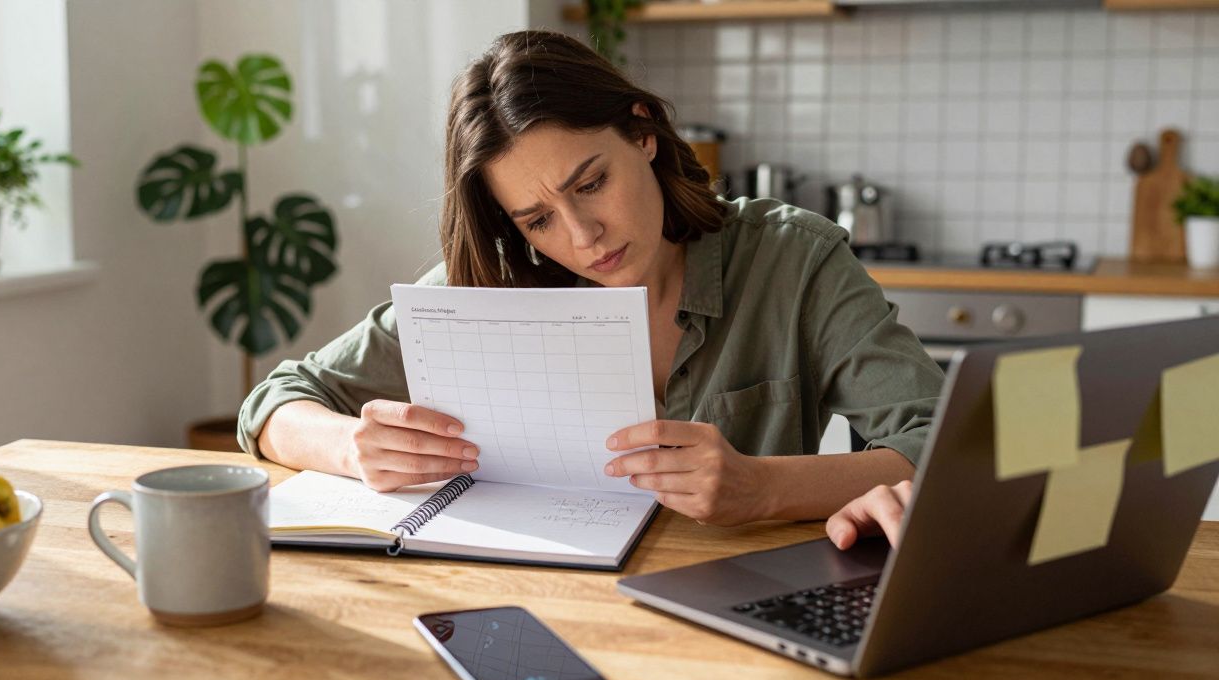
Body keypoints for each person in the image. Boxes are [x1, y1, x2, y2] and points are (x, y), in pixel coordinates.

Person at [237, 30, 943, 547]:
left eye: (591, 183)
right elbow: (274, 404)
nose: (583, 237)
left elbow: (944, 444)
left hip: (737, 609)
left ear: (643, 135)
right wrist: (351, 448)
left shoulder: (793, 259)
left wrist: (763, 487)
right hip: (528, 604)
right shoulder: (484, 287)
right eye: (538, 218)